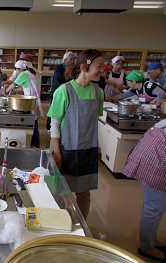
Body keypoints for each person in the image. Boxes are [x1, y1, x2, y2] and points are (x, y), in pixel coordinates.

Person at [47, 49, 104, 220]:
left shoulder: (98, 92)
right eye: (99, 66)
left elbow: (93, 123)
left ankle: (81, 226)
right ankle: (60, 223)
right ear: (85, 67)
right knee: (60, 188)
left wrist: (97, 146)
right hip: (64, 148)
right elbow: (54, 125)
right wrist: (57, 153)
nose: (102, 70)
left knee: (84, 191)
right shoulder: (64, 91)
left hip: (87, 149)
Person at [122, 118, 166, 262]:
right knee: (154, 207)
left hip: (151, 153)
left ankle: (151, 238)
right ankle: (146, 247)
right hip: (156, 161)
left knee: (154, 206)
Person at [6, 61, 44, 148]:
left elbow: (13, 85)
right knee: (34, 124)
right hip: (33, 101)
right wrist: (11, 90)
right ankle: (35, 145)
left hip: (29, 103)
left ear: (19, 69)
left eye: (16, 70)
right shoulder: (31, 74)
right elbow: (23, 89)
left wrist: (5, 91)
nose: (17, 72)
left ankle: (34, 145)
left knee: (32, 125)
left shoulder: (24, 74)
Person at [46, 51, 75, 131]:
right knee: (53, 110)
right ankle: (49, 127)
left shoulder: (73, 69)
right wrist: (70, 77)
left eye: (73, 59)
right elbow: (59, 79)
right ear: (65, 60)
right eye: (71, 59)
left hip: (67, 93)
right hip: (56, 92)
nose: (73, 61)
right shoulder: (58, 68)